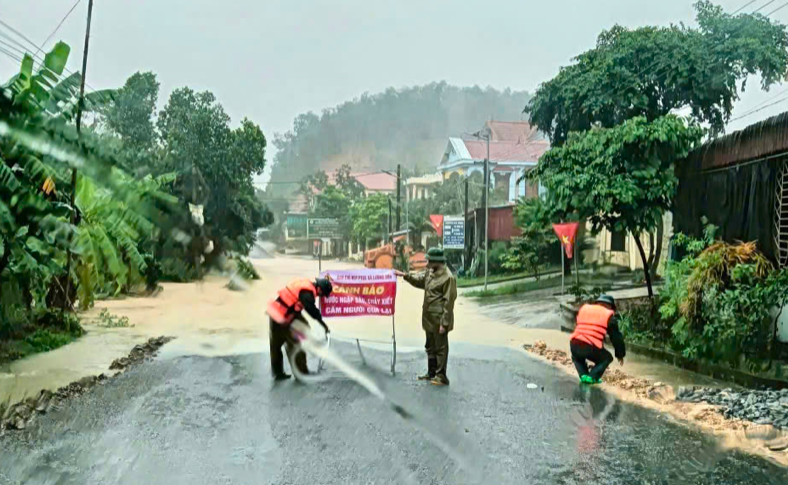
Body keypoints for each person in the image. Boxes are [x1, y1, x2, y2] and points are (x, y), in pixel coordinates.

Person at [396, 247, 457, 386]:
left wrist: (444, 323)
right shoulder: (430, 273)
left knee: (440, 348)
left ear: (437, 261)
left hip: (439, 319)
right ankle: (431, 373)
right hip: (428, 317)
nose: (427, 263)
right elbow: (419, 281)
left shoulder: (448, 278)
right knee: (430, 346)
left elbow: (449, 303)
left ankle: (441, 376)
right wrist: (404, 275)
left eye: (429, 260)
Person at [266, 277, 333, 381]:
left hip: (275, 310)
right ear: (319, 289)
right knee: (296, 344)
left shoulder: (306, 285)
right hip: (283, 316)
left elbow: (297, 305)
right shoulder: (307, 293)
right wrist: (324, 326)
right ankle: (302, 373)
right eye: (323, 294)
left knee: (276, 344)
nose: (322, 296)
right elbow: (312, 311)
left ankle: (277, 372)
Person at [569, 294, 626, 384]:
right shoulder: (608, 314)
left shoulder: (584, 309)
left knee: (577, 357)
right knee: (606, 358)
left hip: (574, 343)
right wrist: (620, 354)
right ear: (610, 306)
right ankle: (592, 376)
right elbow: (616, 337)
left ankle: (583, 375)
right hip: (589, 346)